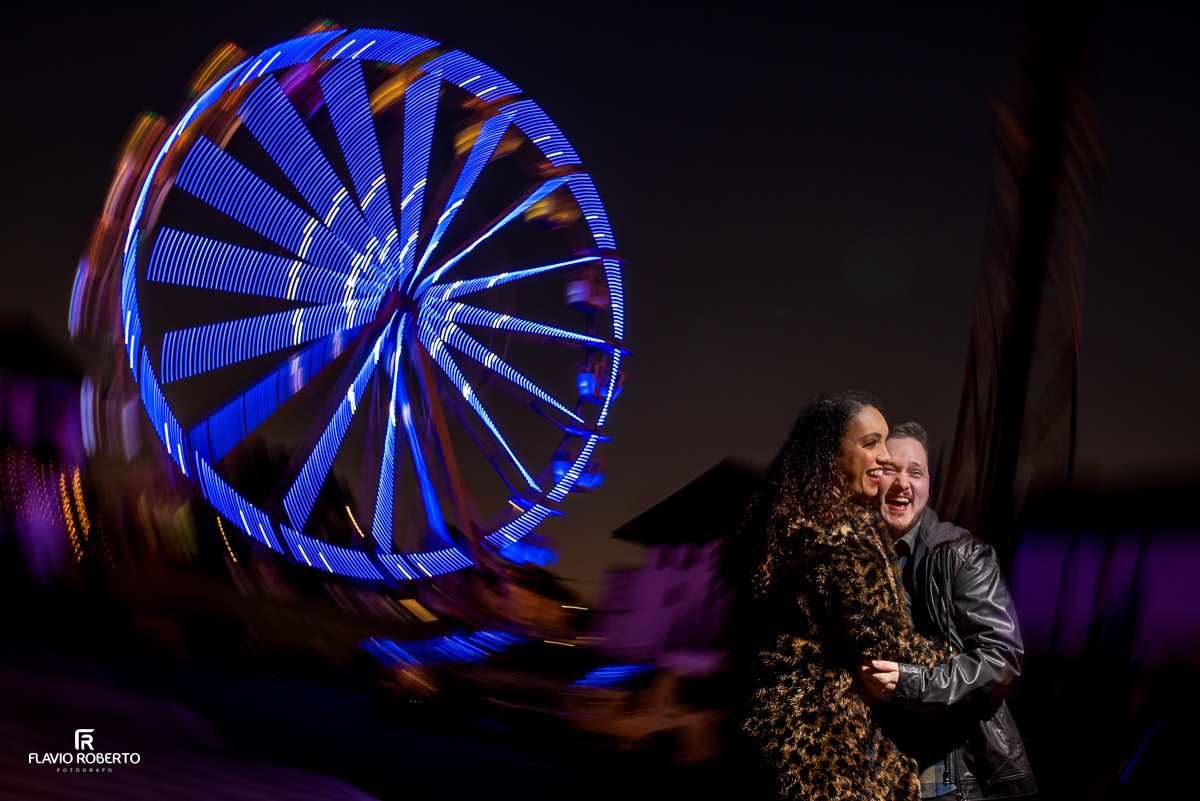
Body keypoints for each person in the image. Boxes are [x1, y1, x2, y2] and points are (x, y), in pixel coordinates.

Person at [739, 391, 953, 801]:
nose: (885, 457)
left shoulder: (786, 526)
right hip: (830, 754)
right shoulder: (845, 540)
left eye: (884, 443)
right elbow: (887, 646)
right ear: (830, 455)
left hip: (776, 738)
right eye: (870, 443)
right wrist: (956, 655)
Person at [860, 422, 1037, 800]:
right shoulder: (849, 560)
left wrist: (909, 684)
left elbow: (1002, 658)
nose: (902, 483)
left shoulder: (963, 555)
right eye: (890, 469)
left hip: (946, 777)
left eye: (915, 472)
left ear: (928, 485)